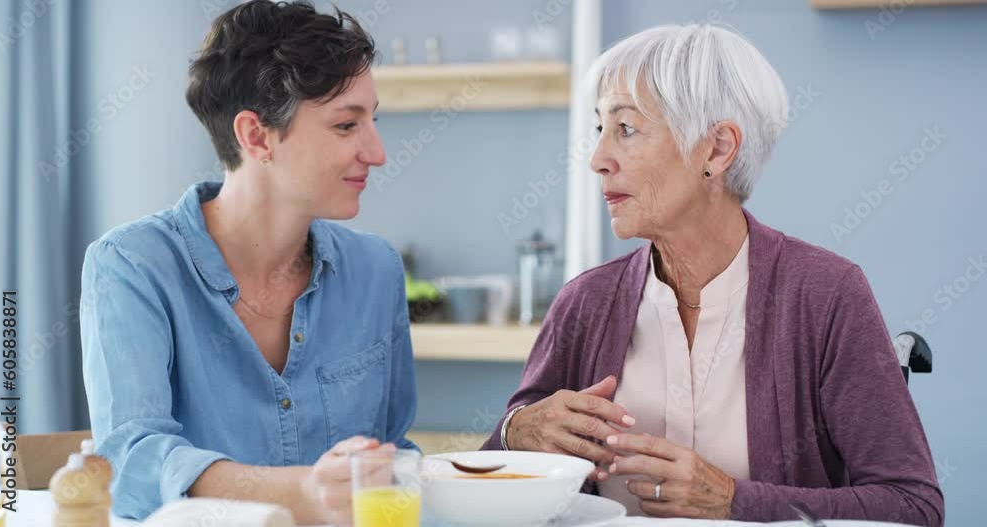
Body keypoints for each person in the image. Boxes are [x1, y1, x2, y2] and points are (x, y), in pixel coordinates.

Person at [485, 24, 944, 525]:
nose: (598, 160)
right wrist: (516, 432)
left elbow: (913, 507)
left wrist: (733, 501)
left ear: (718, 149)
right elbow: (492, 482)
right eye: (600, 130)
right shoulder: (585, 302)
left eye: (626, 129)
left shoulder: (826, 295)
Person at [81, 2, 415, 524]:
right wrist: (301, 492)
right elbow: (130, 460)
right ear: (256, 136)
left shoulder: (376, 271)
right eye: (347, 126)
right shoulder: (132, 266)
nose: (377, 152)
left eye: (373, 120)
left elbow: (394, 451)